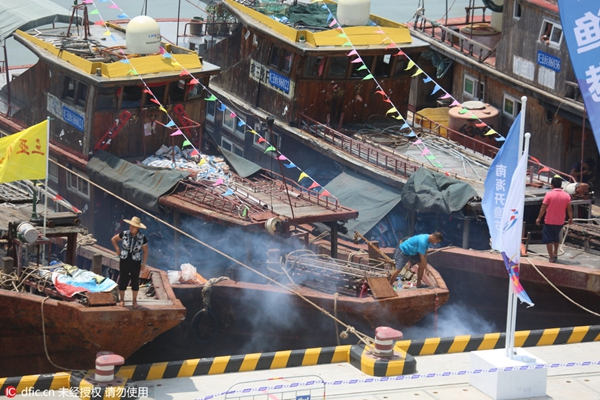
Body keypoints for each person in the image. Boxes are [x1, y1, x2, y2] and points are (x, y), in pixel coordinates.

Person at [111, 216, 149, 308]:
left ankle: (134, 301)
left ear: (138, 228)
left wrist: (143, 263)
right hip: (124, 259)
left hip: (135, 261)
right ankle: (122, 300)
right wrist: (117, 249)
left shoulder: (142, 237)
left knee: (135, 280)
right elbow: (113, 239)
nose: (131, 228)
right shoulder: (124, 234)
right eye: (131, 226)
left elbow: (145, 251)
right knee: (123, 278)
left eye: (134, 226)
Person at [536, 177, 572, 263]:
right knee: (556, 238)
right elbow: (569, 209)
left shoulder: (549, 194)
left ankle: (551, 257)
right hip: (560, 221)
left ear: (552, 185)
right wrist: (571, 218)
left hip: (549, 221)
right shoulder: (567, 195)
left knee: (549, 240)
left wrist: (539, 218)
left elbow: (543, 207)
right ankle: (555, 253)